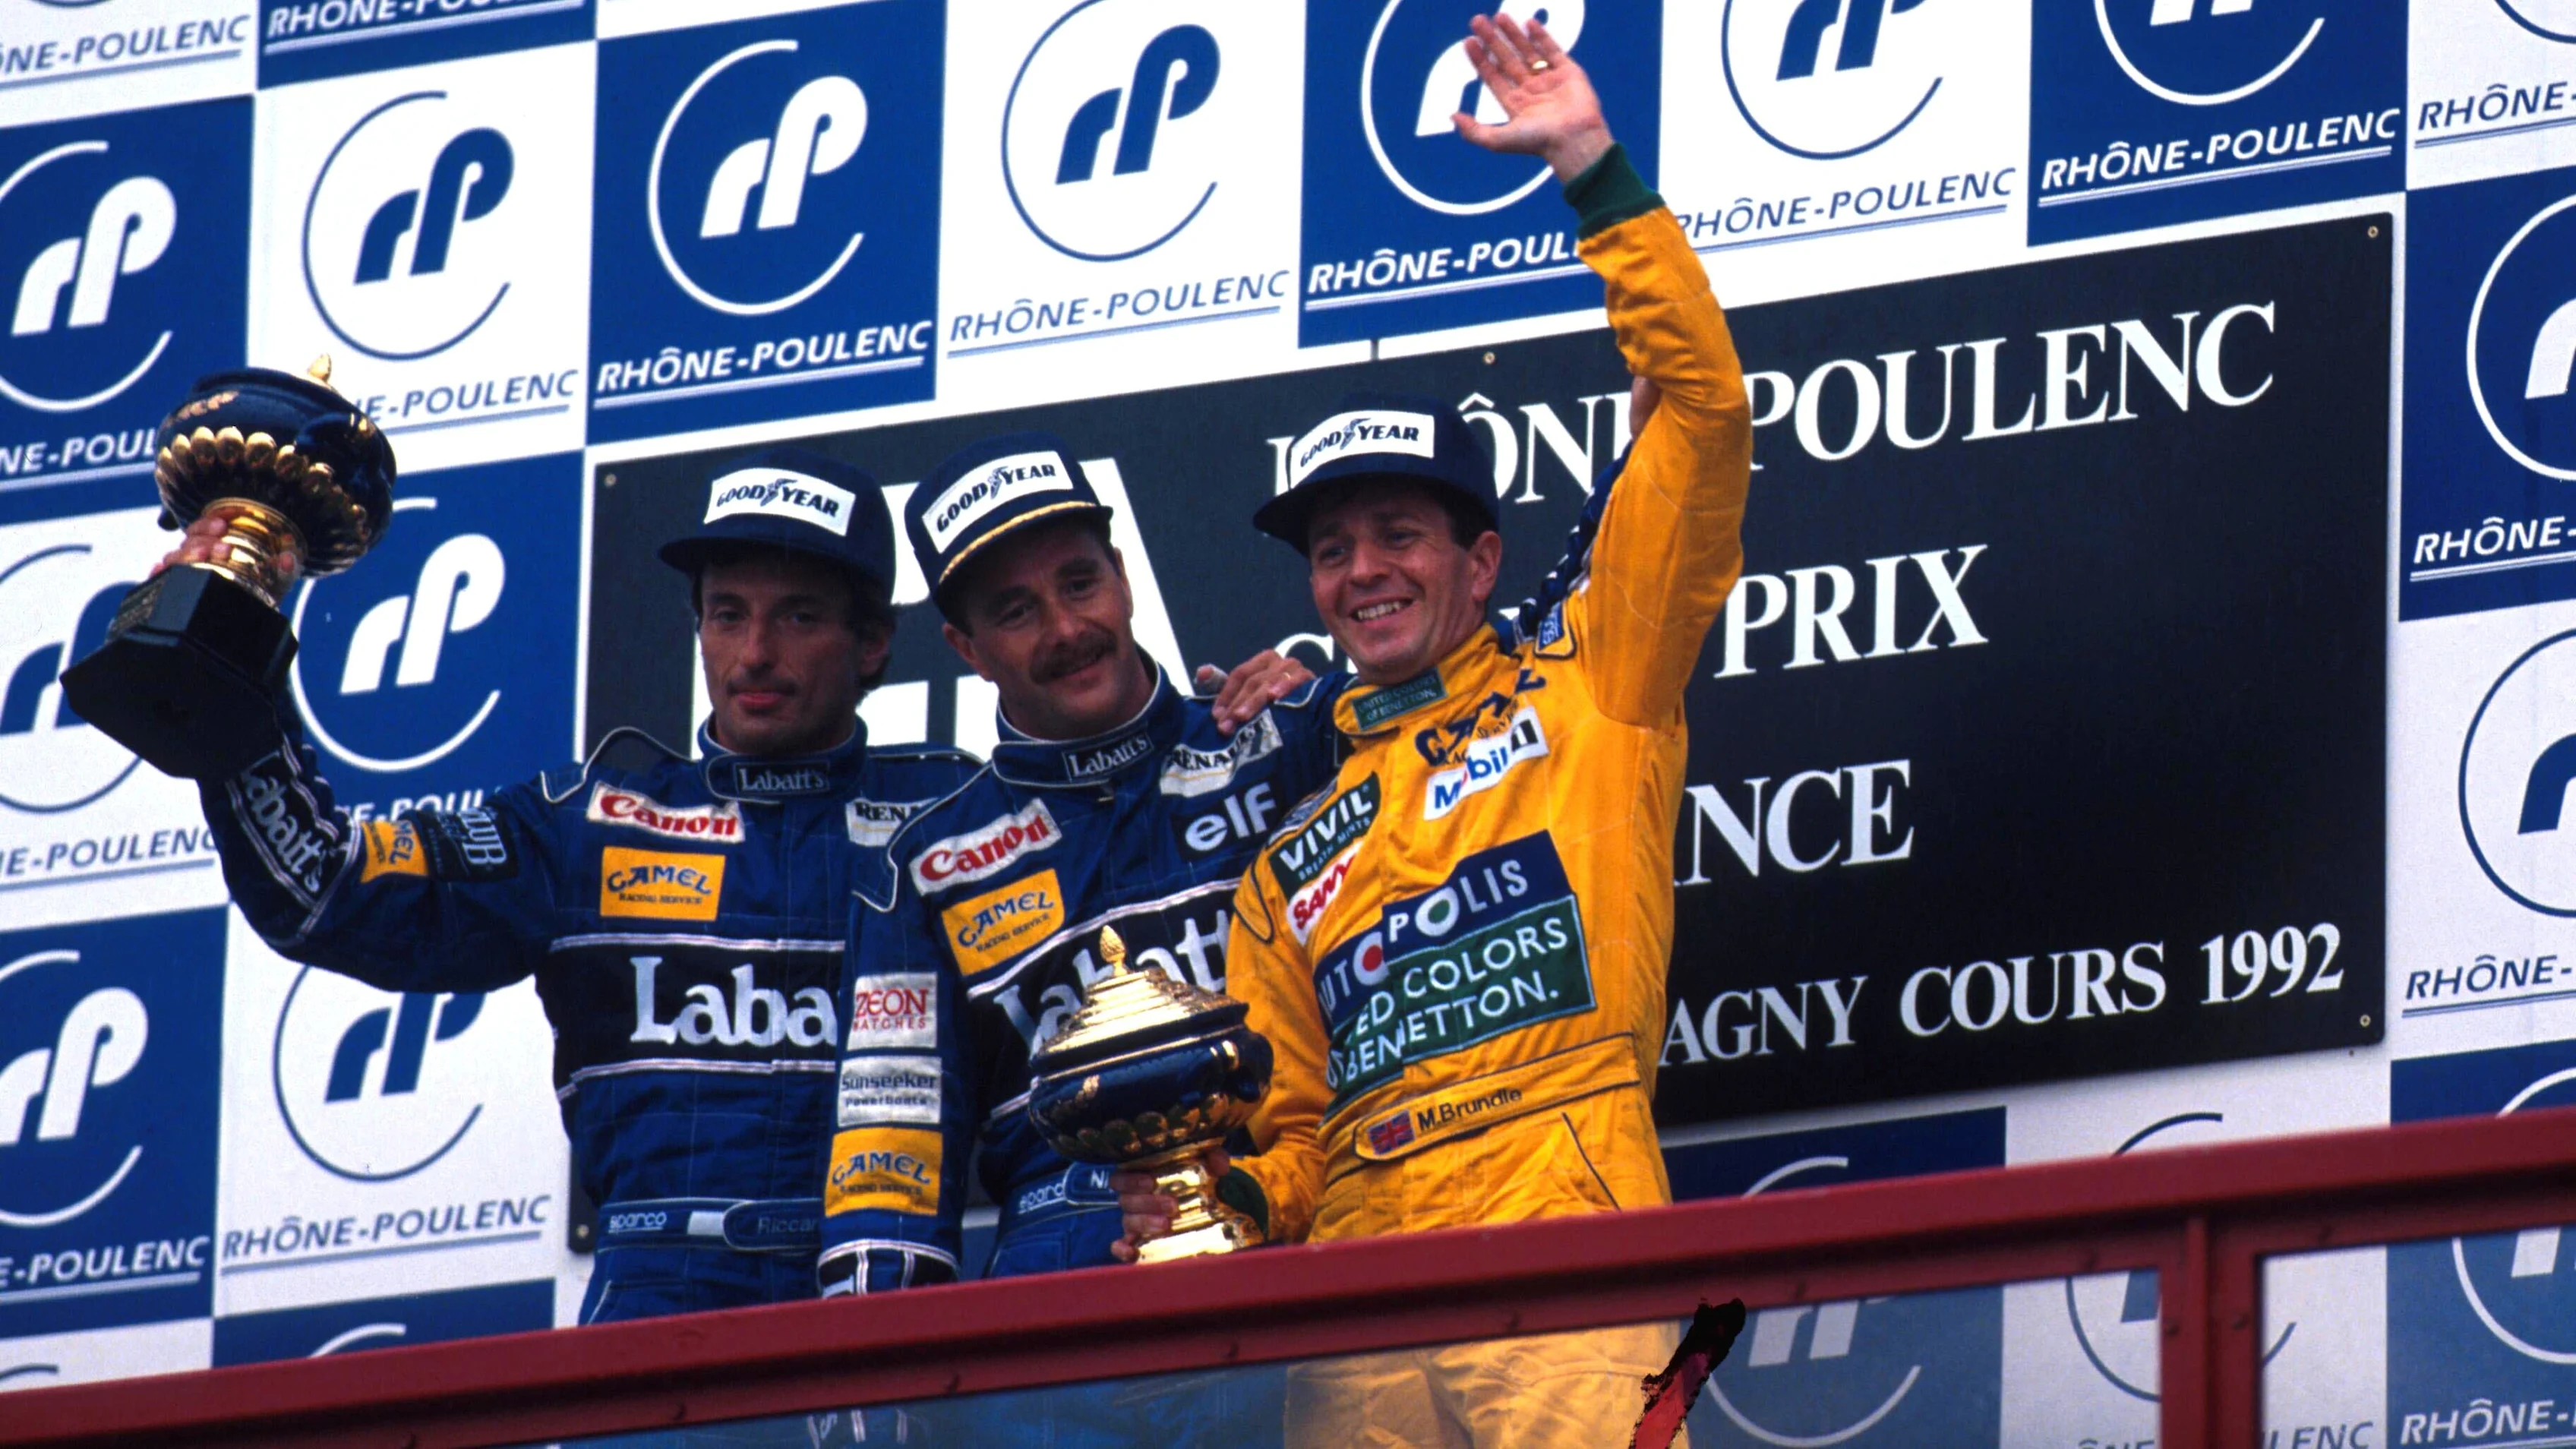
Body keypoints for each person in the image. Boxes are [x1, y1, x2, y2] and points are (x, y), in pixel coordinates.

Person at [1117, 14, 1754, 1447]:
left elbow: (1702, 414)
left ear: (1479, 562)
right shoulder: (1285, 862)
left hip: (1563, 1211)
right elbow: (1284, 1141)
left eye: (1399, 532)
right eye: (1332, 550)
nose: (1364, 571)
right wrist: (1205, 1205)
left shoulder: (1599, 682)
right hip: (1356, 1285)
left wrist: (1591, 171)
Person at [181, 446, 980, 1322]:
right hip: (656, 1294)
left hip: (888, 1286)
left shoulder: (957, 819)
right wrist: (227, 663)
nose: (754, 653)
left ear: (871, 643)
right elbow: (324, 889)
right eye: (726, 615)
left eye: (797, 618)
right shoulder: (582, 823)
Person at [814, 432, 1340, 1441]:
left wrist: (1330, 708)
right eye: (1015, 612)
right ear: (965, 650)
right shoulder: (928, 865)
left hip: (1287, 1219)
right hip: (1062, 1280)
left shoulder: (1278, 741)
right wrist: (870, 1401)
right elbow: (891, 1161)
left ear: (1124, 577)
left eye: (1079, 583)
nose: (1066, 628)